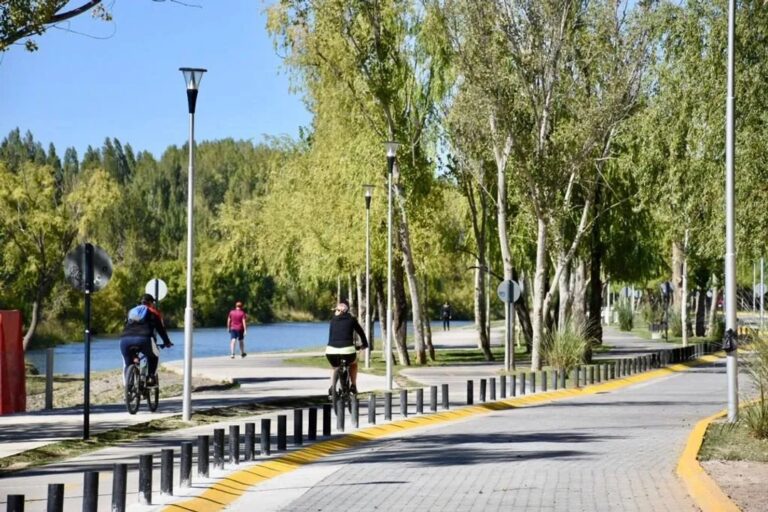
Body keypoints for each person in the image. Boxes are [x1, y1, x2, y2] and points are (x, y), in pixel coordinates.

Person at [120, 294, 173, 387]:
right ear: (151, 303)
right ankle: (151, 377)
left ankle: (128, 386)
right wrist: (167, 342)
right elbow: (161, 329)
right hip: (144, 339)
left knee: (127, 363)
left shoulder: (131, 311)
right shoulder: (154, 312)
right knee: (154, 354)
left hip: (125, 340)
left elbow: (126, 324)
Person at [326, 298, 368, 396]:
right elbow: (361, 332)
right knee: (353, 364)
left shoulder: (332, 321)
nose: (335, 312)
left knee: (334, 367)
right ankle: (353, 386)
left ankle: (332, 387)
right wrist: (364, 344)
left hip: (331, 351)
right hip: (348, 351)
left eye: (336, 310)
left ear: (340, 311)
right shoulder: (352, 320)